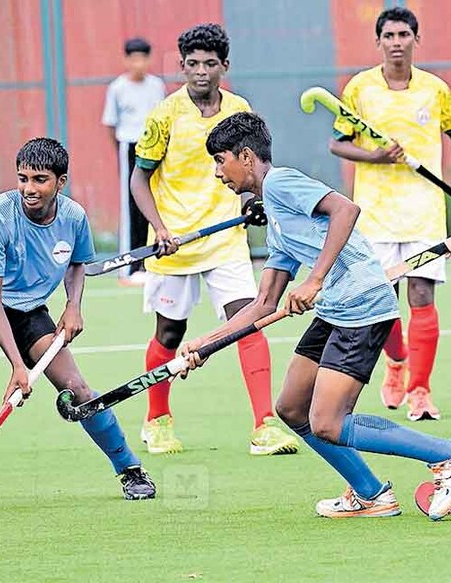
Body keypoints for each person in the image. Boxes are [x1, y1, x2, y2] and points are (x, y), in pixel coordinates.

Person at [185, 111, 451, 520]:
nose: (219, 173)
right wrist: (206, 343)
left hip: (361, 305)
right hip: (334, 310)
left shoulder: (282, 182)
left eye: (220, 161)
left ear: (247, 156)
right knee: (291, 408)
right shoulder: (273, 215)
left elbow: (346, 209)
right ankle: (370, 493)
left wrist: (314, 280)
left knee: (327, 421)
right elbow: (262, 304)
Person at [0, 138, 155, 514]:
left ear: (60, 182)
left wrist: (72, 306)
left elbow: (77, 264)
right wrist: (19, 366)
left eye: (40, 180)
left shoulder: (73, 217)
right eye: (23, 178)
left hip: (28, 305)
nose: (29, 189)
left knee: (76, 386)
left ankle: (130, 468)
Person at [129, 23, 297, 457]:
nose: (200, 71)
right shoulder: (164, 115)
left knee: (249, 321)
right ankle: (157, 420)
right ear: (182, 66)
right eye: (192, 64)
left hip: (226, 240)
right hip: (176, 245)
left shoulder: (240, 109)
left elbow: (254, 168)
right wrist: (161, 230)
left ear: (224, 66)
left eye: (209, 63)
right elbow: (139, 180)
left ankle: (264, 425)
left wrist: (253, 203)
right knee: (169, 333)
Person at [327, 6, 451, 421]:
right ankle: (396, 363)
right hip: (375, 213)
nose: (397, 42)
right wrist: (375, 156)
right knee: (383, 300)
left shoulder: (435, 89)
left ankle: (420, 390)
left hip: (424, 211)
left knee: (422, 295)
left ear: (416, 39)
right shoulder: (360, 89)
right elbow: (338, 144)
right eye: (389, 36)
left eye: (404, 35)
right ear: (378, 42)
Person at [101, 37, 166, 281]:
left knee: (154, 200)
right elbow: (110, 124)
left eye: (143, 57)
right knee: (131, 204)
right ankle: (130, 266)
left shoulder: (156, 85)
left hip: (154, 148)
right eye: (133, 58)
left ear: (149, 60)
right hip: (129, 145)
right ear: (126, 60)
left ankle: (151, 262)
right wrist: (121, 150)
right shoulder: (117, 88)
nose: (138, 63)